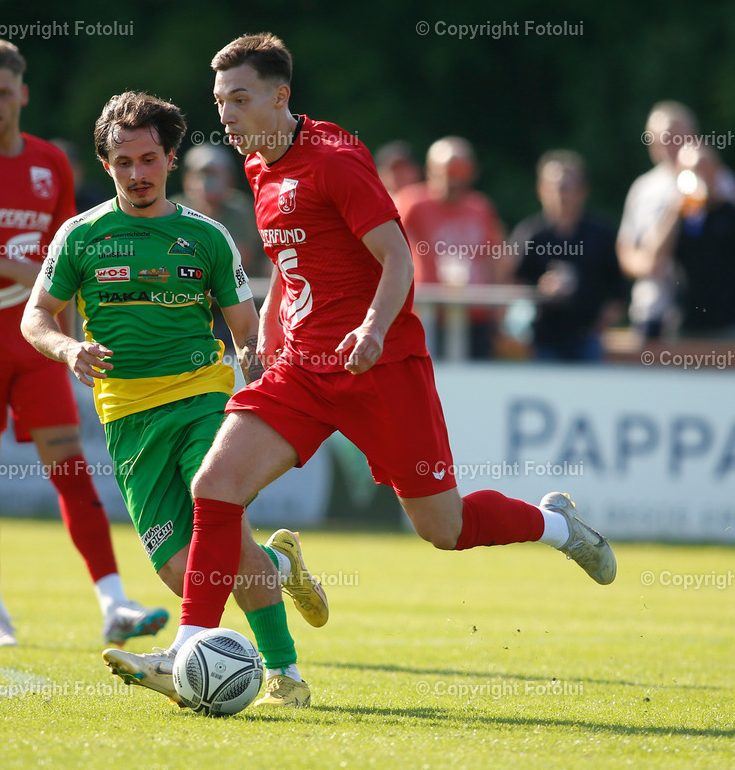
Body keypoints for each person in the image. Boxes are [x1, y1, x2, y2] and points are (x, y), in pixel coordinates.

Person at [110, 33, 617, 675]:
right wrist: (269, 324)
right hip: (302, 368)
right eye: (220, 103)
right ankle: (188, 651)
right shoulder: (259, 164)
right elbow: (289, 261)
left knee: (445, 528)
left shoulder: (334, 158)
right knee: (216, 485)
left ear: (280, 96)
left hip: (379, 368)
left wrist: (373, 329)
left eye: (240, 99)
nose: (227, 116)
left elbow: (398, 257)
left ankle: (555, 526)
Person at [21, 91, 326, 708]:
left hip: (200, 399)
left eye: (149, 159)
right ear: (106, 165)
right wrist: (67, 349)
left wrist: (251, 358)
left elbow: (245, 325)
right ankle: (279, 564)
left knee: (221, 523)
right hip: (127, 417)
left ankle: (285, 674)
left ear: (169, 159)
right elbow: (36, 316)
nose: (138, 174)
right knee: (179, 568)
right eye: (124, 161)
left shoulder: (206, 237)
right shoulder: (80, 236)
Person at [0, 39, 164, 648]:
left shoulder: (50, 163)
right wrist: (14, 267)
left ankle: (114, 603)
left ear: (22, 94)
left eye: (2, 92)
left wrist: (74, 341)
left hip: (38, 347)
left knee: (72, 468)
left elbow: (66, 261)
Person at [396, 136, 510, 359]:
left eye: (461, 171)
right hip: (426, 315)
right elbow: (384, 245)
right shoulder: (413, 203)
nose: (454, 180)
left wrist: (498, 310)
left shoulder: (480, 208)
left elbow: (497, 256)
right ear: (431, 171)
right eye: (448, 171)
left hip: (474, 315)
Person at [509, 150, 626, 361]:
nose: (561, 194)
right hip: (541, 341)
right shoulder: (529, 234)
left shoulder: (600, 233)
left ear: (583, 191)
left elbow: (616, 289)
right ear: (541, 190)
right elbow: (510, 287)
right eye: (555, 187)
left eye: (568, 187)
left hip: (588, 340)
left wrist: (600, 325)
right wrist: (539, 291)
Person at [634, 144, 735, 338]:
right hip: (684, 323)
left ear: (716, 171)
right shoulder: (676, 217)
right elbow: (653, 259)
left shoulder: (729, 214)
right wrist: (674, 212)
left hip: (728, 325)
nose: (699, 176)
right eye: (690, 171)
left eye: (703, 168)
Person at [169, 144, 267, 277]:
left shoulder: (241, 209)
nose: (207, 182)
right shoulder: (173, 210)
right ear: (186, 180)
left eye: (215, 174)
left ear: (230, 180)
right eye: (201, 175)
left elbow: (241, 259)